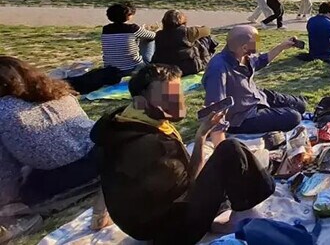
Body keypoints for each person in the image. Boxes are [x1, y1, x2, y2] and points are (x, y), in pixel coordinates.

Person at [90, 64, 275, 244]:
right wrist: (201, 136)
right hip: (172, 233)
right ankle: (244, 217)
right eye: (168, 97)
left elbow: (106, 176)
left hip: (140, 225)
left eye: (178, 94)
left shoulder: (118, 124)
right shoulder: (154, 145)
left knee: (226, 168)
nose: (178, 102)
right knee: (231, 151)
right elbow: (190, 183)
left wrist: (99, 215)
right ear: (142, 101)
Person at [0, 57, 98, 209]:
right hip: (101, 154)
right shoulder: (59, 92)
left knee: (28, 188)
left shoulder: (3, 110)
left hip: (64, 176)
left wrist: (9, 199)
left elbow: (6, 167)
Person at [202, 26, 307, 140]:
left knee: (300, 105)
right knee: (294, 117)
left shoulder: (244, 55)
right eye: (256, 40)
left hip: (257, 96)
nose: (258, 43)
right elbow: (215, 108)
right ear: (244, 47)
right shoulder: (217, 69)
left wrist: (282, 46)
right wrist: (220, 141)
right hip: (242, 116)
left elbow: (261, 60)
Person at [152, 10, 215, 76]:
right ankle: (207, 59)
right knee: (205, 38)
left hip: (164, 67)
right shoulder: (188, 32)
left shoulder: (159, 35)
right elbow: (207, 30)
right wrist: (197, 27)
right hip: (188, 68)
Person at [101, 2, 156, 75]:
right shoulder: (132, 28)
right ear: (128, 16)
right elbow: (154, 35)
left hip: (110, 70)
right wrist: (144, 30)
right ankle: (149, 62)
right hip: (132, 68)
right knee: (150, 39)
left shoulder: (105, 29)